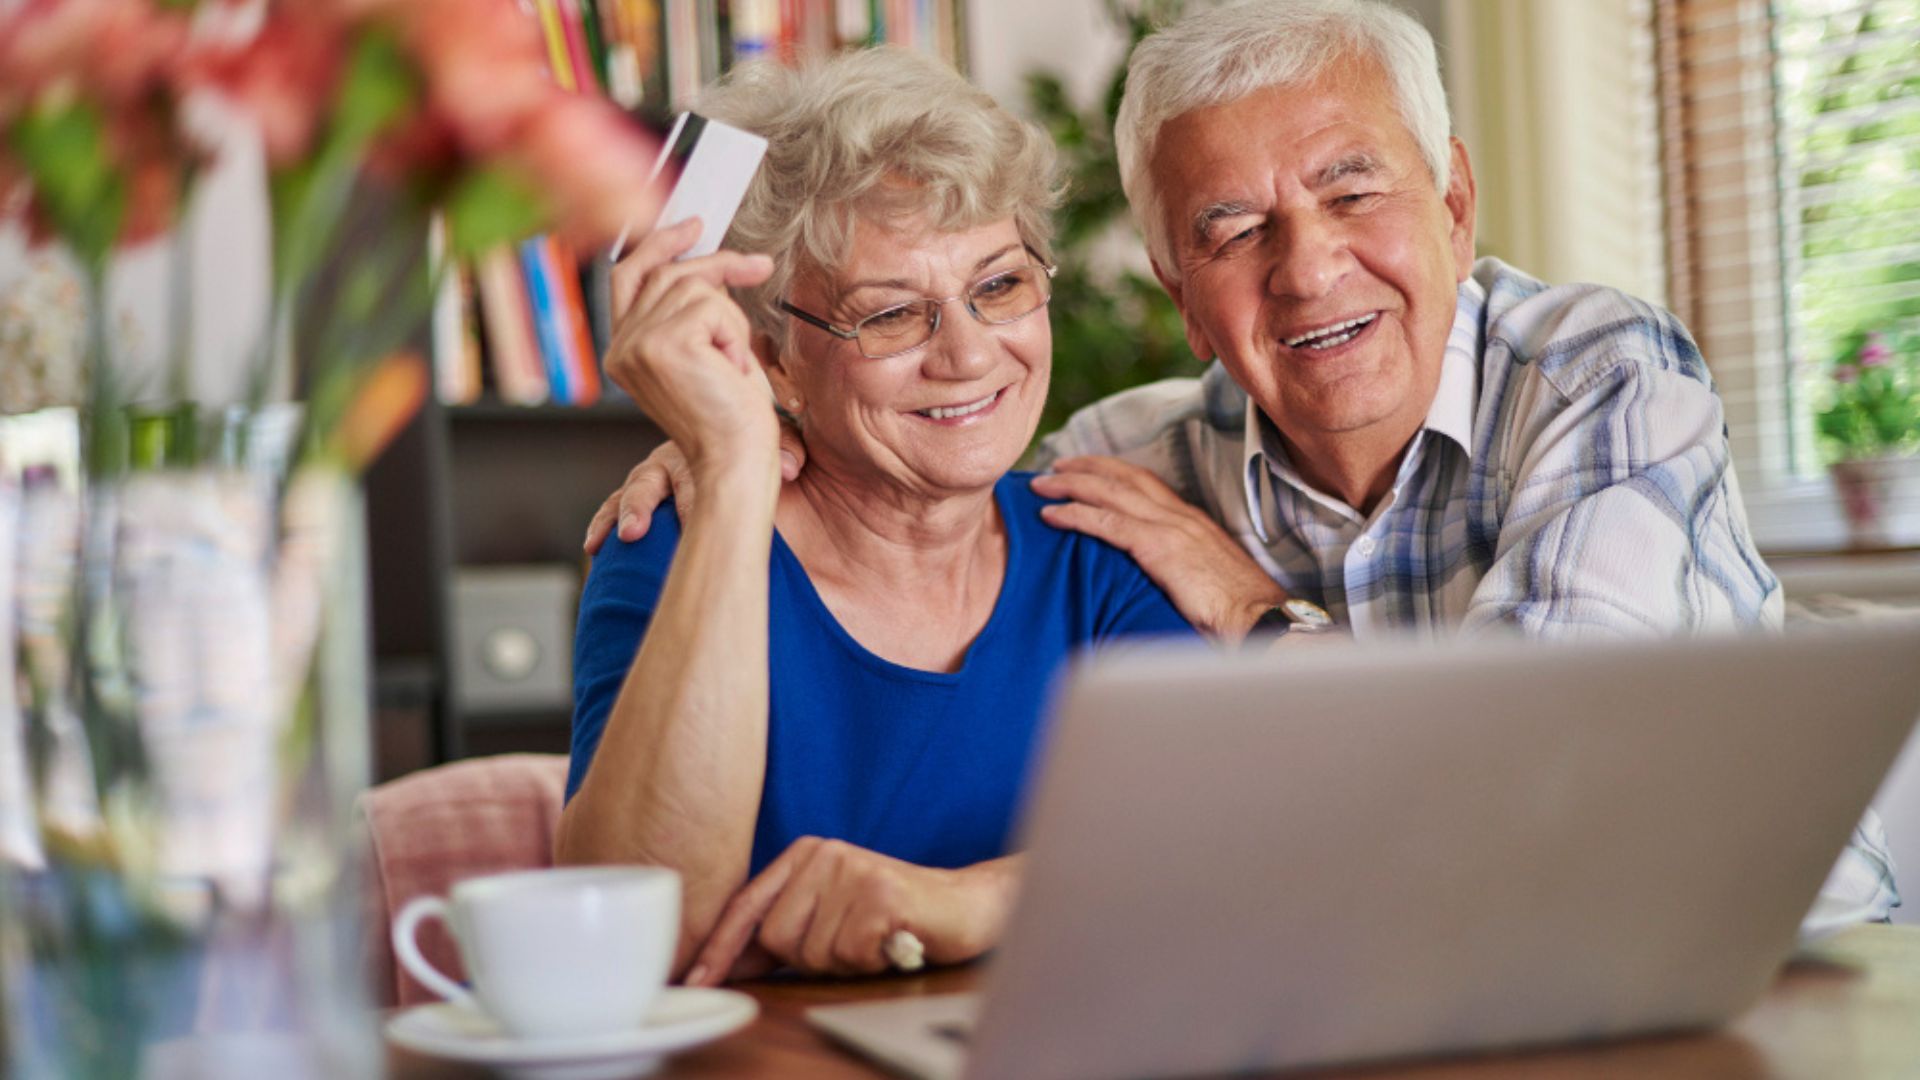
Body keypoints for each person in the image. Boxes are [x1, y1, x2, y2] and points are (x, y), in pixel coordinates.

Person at [585, 0, 1897, 917]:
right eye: (1235, 229)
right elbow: (928, 468)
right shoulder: (1121, 473)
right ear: (1179, 295)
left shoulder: (1602, 376)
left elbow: (1477, 805)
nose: (1310, 265)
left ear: (1454, 203)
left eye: (1353, 191)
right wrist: (734, 454)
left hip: (1775, 972)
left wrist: (1251, 608)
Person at [553, 47, 1195, 990]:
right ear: (772, 361)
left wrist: (977, 899)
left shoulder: (1100, 550)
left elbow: (1222, 863)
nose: (969, 355)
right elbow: (627, 943)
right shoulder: (673, 547)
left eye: (1001, 286)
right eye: (892, 314)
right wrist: (732, 467)